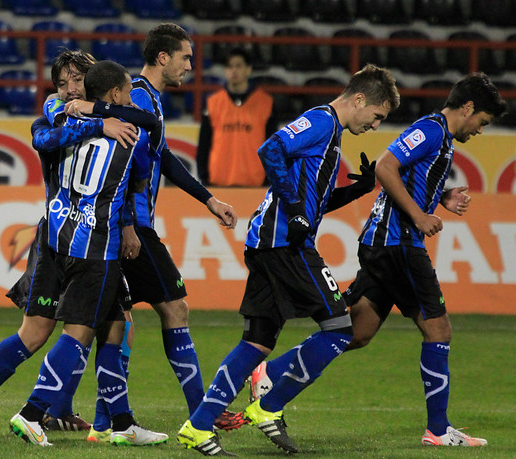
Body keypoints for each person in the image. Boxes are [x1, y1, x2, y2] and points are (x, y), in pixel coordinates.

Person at [248, 73, 506, 448]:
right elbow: (386, 166)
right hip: (397, 243)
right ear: (467, 108)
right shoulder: (431, 129)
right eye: (481, 121)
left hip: (382, 243)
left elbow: (410, 175)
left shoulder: (439, 137)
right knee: (439, 329)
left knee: (358, 331)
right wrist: (419, 216)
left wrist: (441, 197)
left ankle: (269, 372)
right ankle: (438, 429)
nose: (480, 130)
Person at [177, 64, 400, 456]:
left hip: (271, 243)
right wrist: (295, 209)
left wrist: (358, 191)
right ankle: (269, 406)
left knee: (258, 340)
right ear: (360, 100)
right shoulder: (320, 121)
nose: (375, 126)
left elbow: (313, 204)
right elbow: (271, 148)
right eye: (377, 116)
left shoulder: (330, 136)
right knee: (340, 328)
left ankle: (197, 427)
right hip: (283, 245)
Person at [0, 50, 155, 442]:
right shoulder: (57, 114)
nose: (68, 90)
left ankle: (107, 422)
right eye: (61, 83)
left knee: (115, 324)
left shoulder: (110, 118)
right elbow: (45, 138)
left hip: (87, 236)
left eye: (76, 81)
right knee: (42, 332)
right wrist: (99, 125)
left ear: (92, 84)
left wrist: (128, 225)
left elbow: (127, 167)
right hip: (67, 241)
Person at [81, 23, 243, 442]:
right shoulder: (131, 96)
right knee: (175, 309)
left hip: (121, 225)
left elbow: (163, 159)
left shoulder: (147, 99)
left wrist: (209, 200)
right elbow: (123, 165)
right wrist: (130, 224)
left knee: (117, 322)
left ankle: (106, 423)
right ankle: (203, 414)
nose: (192, 65)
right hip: (128, 226)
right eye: (187, 57)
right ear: (164, 57)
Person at [8, 60, 168, 447]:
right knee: (79, 333)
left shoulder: (66, 127)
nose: (131, 97)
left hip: (64, 236)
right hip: (99, 246)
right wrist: (105, 117)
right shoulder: (132, 132)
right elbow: (146, 157)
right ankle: (32, 412)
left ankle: (121, 423)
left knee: (117, 327)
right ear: (115, 94)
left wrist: (87, 112)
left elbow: (44, 137)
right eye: (127, 91)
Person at [196, 47, 276, 187]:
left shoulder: (265, 103)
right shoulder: (213, 103)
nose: (233, 70)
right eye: (229, 66)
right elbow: (204, 145)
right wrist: (204, 178)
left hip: (255, 185)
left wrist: (269, 180)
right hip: (218, 184)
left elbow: (273, 147)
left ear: (248, 69)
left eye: (238, 66)